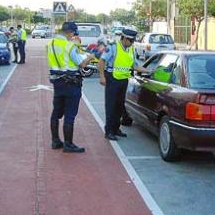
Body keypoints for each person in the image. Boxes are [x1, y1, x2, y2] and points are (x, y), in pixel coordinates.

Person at [47, 22, 95, 153]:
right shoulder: (69, 46)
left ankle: (55, 141)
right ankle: (68, 144)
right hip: (71, 83)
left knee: (56, 112)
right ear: (69, 32)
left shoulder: (50, 44)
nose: (73, 36)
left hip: (57, 82)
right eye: (73, 34)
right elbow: (81, 64)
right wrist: (90, 57)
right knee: (70, 114)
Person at [98, 29, 152, 141]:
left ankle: (116, 129)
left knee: (120, 105)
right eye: (131, 40)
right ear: (124, 38)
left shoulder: (131, 49)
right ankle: (109, 131)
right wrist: (102, 76)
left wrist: (149, 71)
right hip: (112, 79)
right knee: (111, 106)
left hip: (123, 80)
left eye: (133, 41)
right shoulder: (113, 47)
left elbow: (134, 66)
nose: (132, 43)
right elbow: (102, 61)